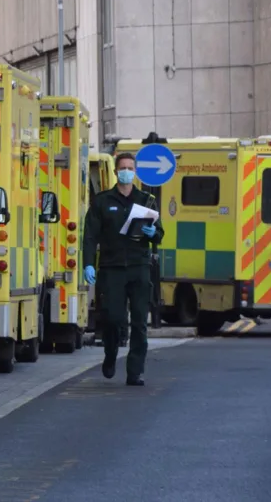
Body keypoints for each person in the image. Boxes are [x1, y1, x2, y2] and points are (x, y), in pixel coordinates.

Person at [81, 152, 164, 386]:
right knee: (113, 318)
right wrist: (88, 263)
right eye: (123, 168)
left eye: (130, 168)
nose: (127, 171)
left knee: (139, 322)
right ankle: (110, 354)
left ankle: (135, 371)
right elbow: (90, 236)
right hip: (112, 268)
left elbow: (159, 233)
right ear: (116, 172)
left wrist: (153, 234)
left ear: (135, 172)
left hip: (139, 267)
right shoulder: (103, 201)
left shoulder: (146, 200)